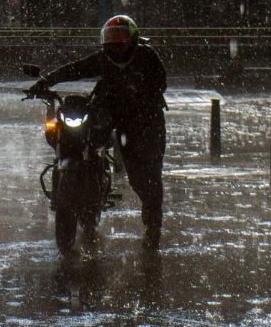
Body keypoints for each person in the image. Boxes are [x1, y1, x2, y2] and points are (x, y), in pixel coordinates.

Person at [26, 15, 168, 249]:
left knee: (144, 175)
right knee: (85, 132)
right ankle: (89, 173)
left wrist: (138, 91)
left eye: (121, 38)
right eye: (111, 39)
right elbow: (76, 68)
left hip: (144, 118)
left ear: (133, 40)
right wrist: (45, 82)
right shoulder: (103, 60)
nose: (116, 45)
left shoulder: (147, 56)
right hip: (114, 109)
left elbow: (161, 82)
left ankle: (153, 223)